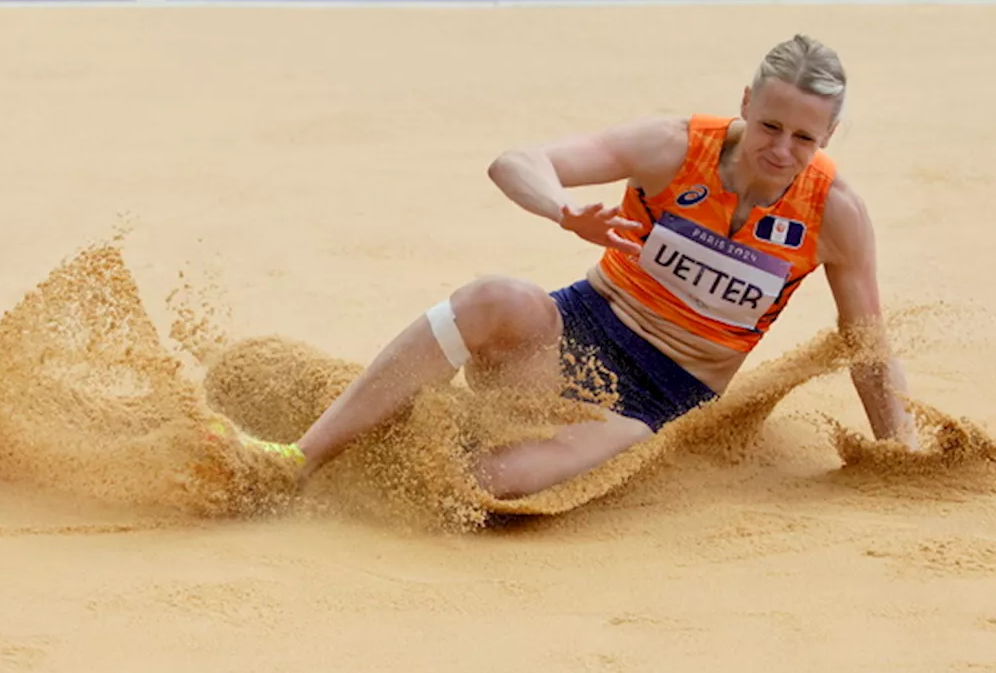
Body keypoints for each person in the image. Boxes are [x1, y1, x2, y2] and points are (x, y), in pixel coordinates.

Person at [231, 33, 920, 499]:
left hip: (658, 399)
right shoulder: (672, 146)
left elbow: (868, 345)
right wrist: (562, 210)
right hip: (575, 332)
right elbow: (516, 161)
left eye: (804, 138)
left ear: (827, 138)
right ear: (746, 103)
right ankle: (300, 459)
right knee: (496, 297)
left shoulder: (836, 214)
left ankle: (371, 481)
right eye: (771, 126)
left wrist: (902, 455)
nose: (780, 149)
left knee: (496, 483)